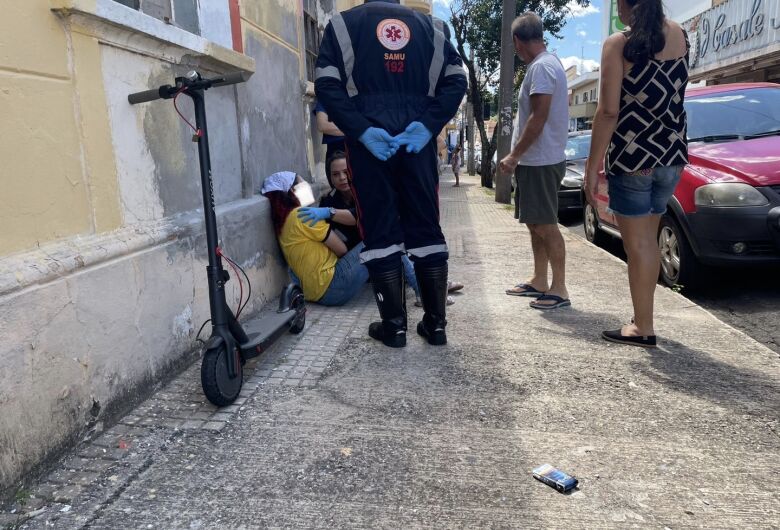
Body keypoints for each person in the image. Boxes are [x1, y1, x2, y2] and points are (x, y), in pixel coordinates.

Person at [315, 0, 467, 347]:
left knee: (379, 228)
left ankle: (394, 328)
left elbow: (326, 86)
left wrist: (360, 129)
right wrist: (427, 125)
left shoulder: (343, 25)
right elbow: (457, 81)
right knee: (426, 227)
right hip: (417, 143)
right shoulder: (434, 28)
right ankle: (436, 326)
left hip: (369, 146)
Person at [585, 0, 689, 348]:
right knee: (650, 240)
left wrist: (591, 167)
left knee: (638, 245)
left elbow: (608, 111)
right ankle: (642, 318)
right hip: (671, 156)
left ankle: (643, 326)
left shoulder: (618, 44)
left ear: (626, 5)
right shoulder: (680, 36)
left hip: (633, 158)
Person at [297, 150, 462, 307]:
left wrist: (330, 213)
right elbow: (341, 243)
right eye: (335, 174)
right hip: (357, 262)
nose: (342, 178)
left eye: (346, 172)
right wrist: (326, 209)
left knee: (403, 235)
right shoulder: (328, 201)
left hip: (380, 256)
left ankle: (433, 283)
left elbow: (363, 216)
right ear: (330, 177)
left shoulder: (366, 192)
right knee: (387, 239)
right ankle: (425, 291)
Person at [498, 12, 570, 311]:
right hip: (536, 161)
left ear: (517, 41)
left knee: (545, 225)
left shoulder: (541, 67)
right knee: (534, 223)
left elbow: (538, 117)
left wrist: (514, 155)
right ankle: (540, 280)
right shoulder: (546, 65)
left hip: (540, 160)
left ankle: (560, 288)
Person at [260, 171, 367, 306]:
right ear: (292, 191)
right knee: (378, 239)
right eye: (303, 183)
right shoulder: (303, 215)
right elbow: (342, 250)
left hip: (311, 293)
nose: (307, 186)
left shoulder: (283, 222)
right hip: (334, 286)